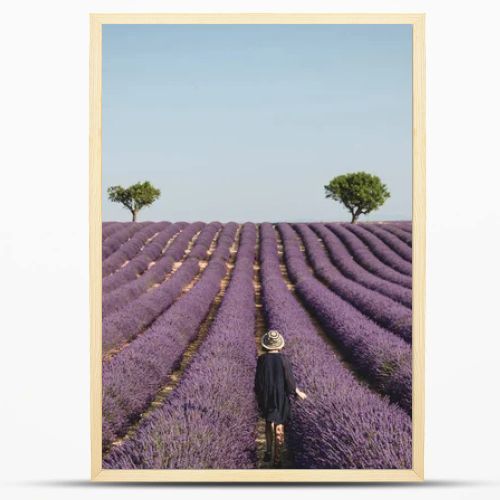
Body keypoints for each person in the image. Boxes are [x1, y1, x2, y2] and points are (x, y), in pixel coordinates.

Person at [254, 330, 307, 467]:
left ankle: (268, 452)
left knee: (267, 422)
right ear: (279, 345)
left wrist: (258, 396)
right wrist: (297, 392)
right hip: (280, 396)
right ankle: (277, 459)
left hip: (266, 396)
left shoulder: (261, 359)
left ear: (266, 345)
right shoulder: (284, 359)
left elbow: (258, 381)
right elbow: (289, 381)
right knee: (279, 426)